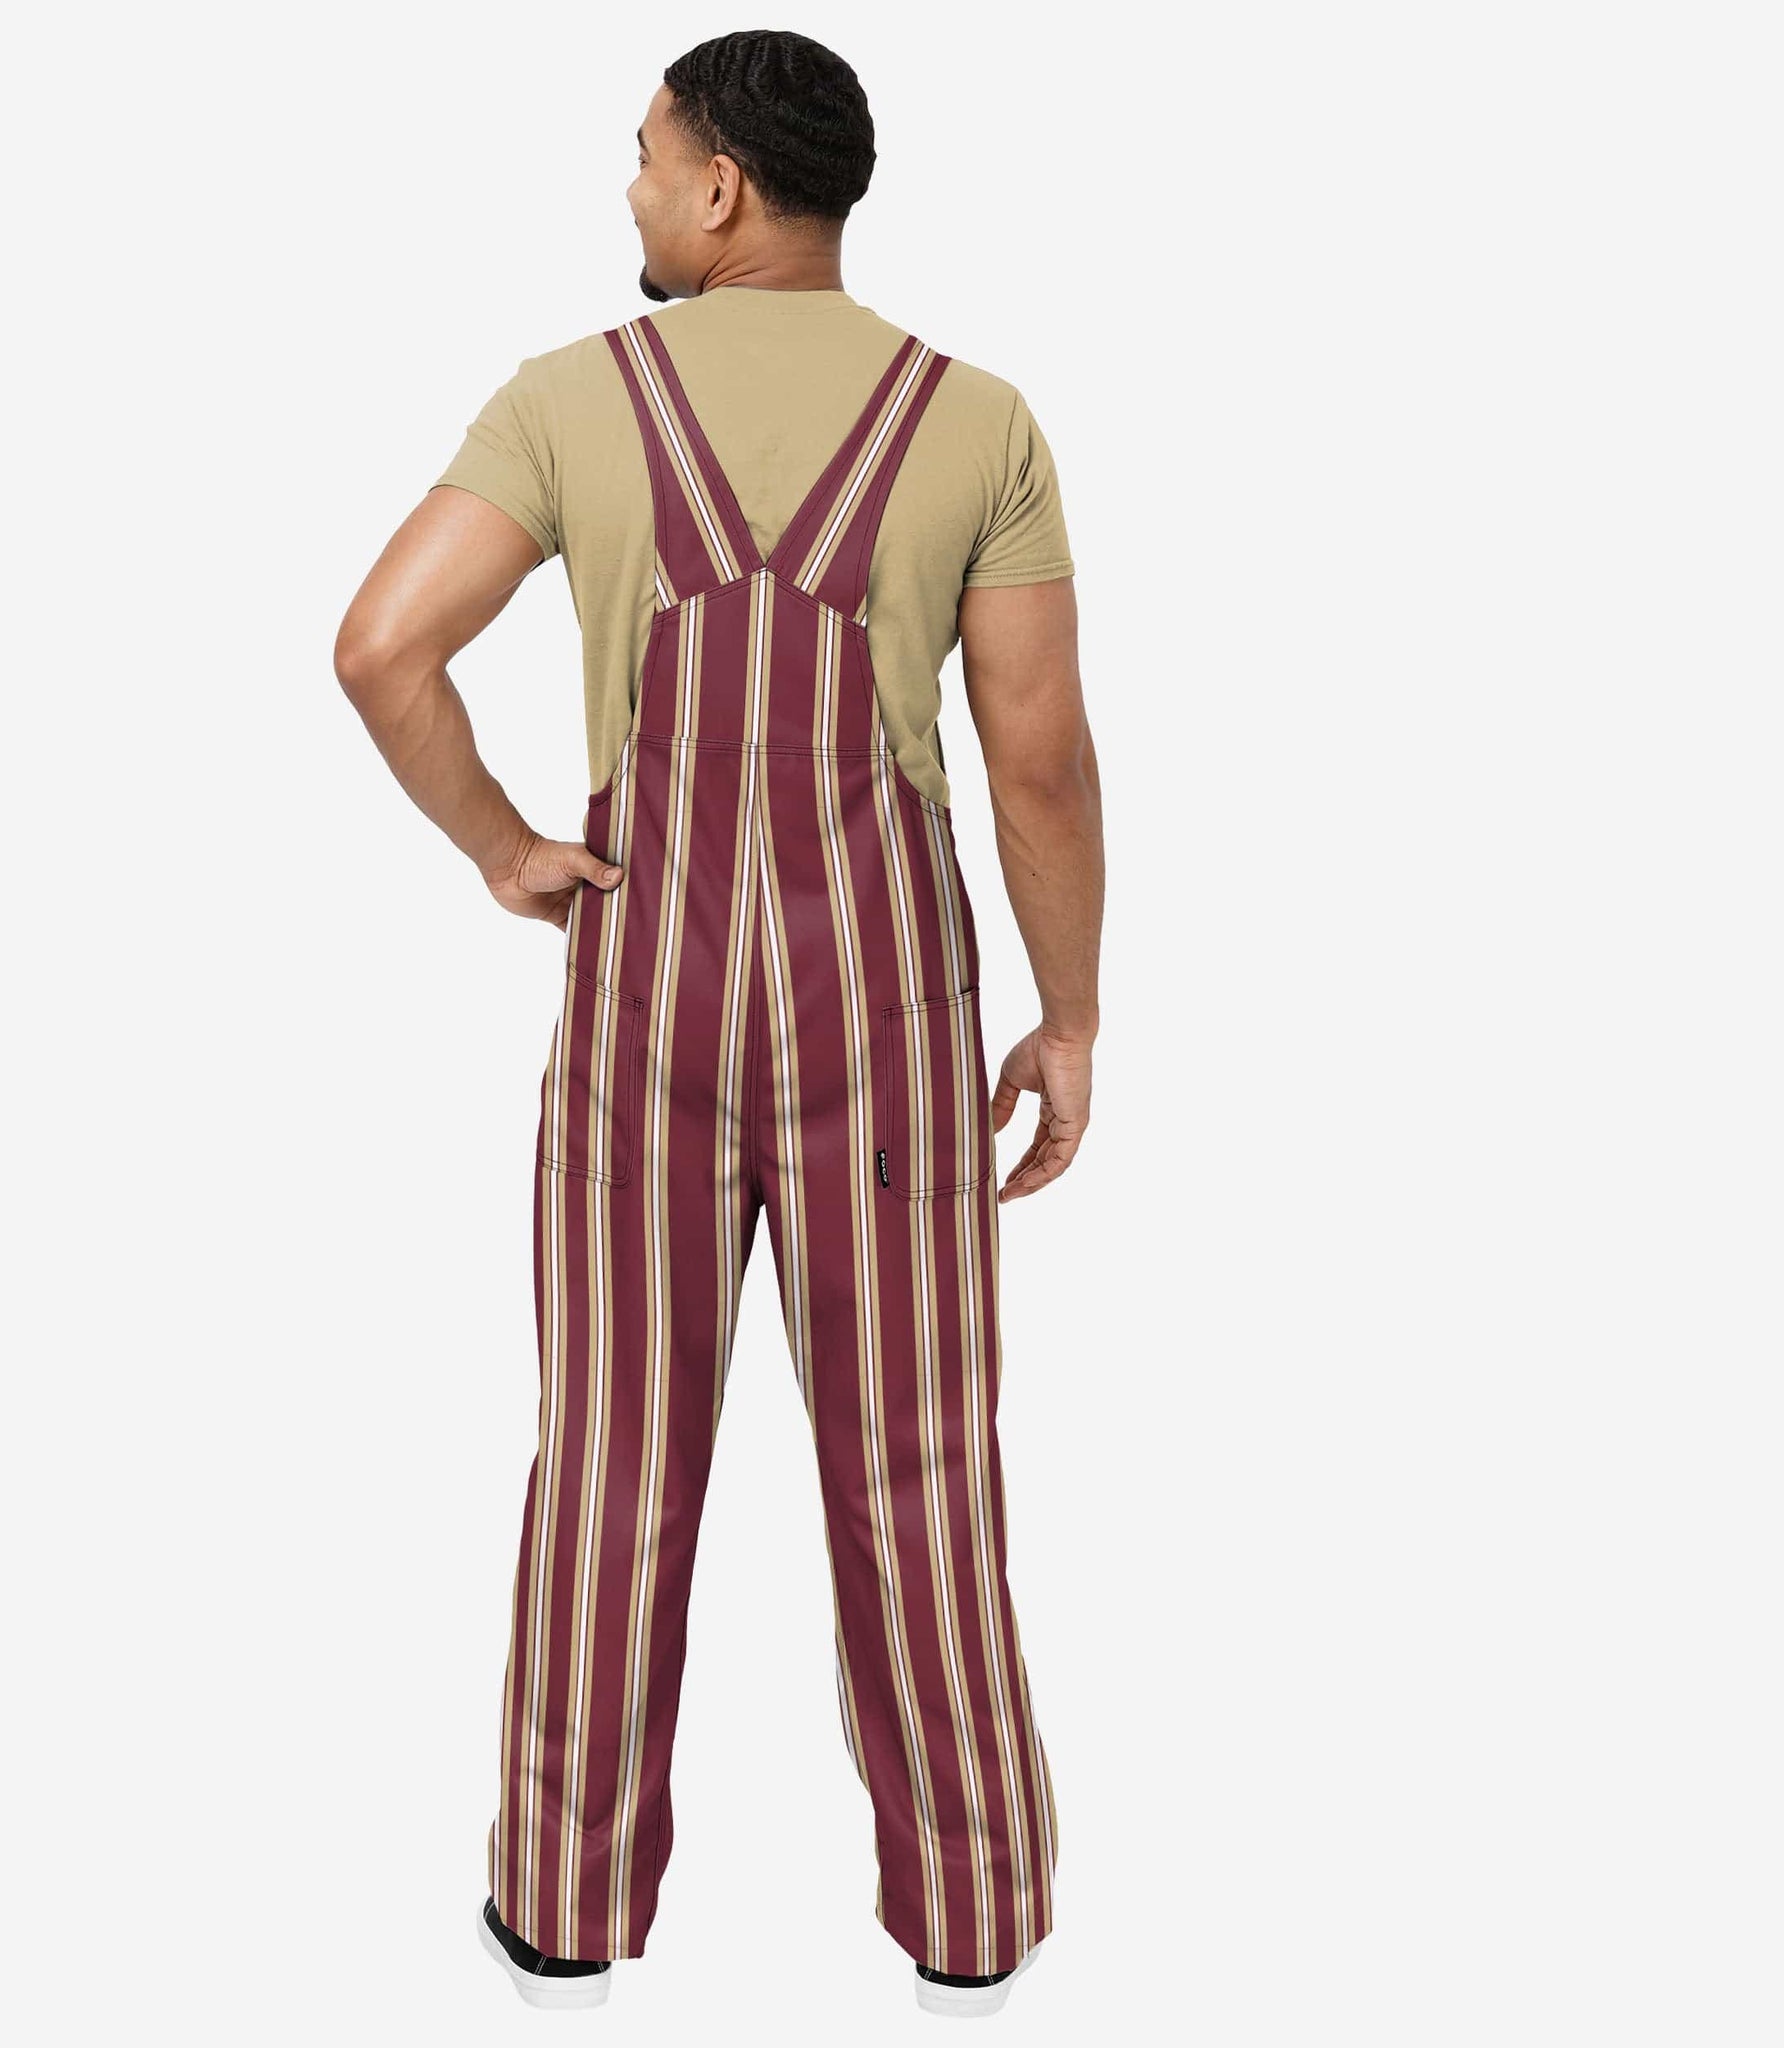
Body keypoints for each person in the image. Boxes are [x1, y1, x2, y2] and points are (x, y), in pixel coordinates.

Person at [333, 29, 1104, 2020]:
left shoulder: (567, 401)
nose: (629, 187)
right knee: (919, 1469)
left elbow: (382, 645)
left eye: (643, 153)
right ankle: (973, 1921)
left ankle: (560, 1914)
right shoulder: (978, 421)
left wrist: (503, 846)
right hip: (891, 1020)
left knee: (609, 1464)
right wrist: (1070, 1016)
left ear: (720, 188)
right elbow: (1034, 761)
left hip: (643, 999)